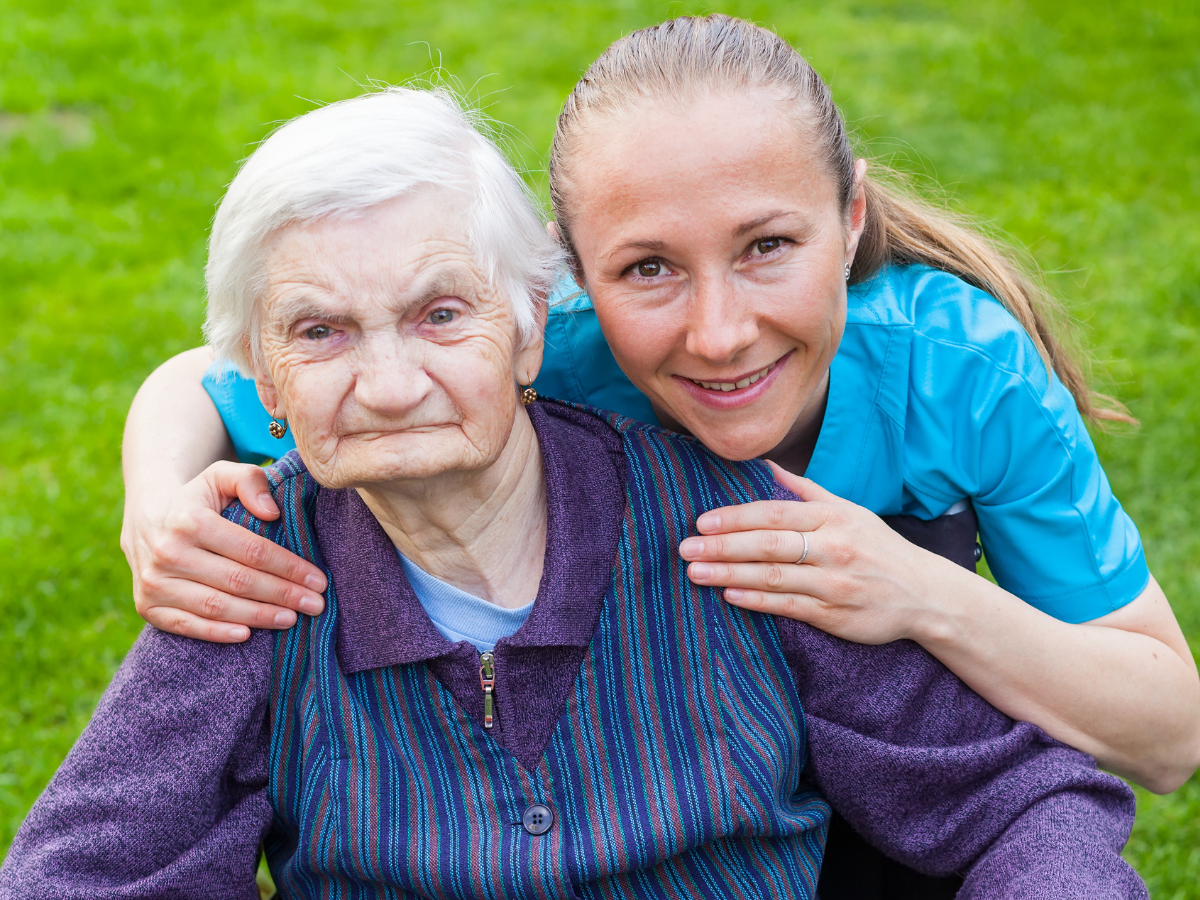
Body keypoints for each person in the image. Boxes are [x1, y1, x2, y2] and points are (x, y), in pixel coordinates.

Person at [1, 87, 1145, 900]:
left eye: (444, 314)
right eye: (322, 331)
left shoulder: (738, 524)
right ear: (267, 382)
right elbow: (82, 872)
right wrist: (156, 495)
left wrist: (921, 593)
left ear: (532, 329)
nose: (393, 385)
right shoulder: (256, 570)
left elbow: (1024, 798)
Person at [120, 16, 1200, 799]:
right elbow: (205, 381)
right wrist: (156, 500)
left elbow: (1169, 734)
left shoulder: (960, 369)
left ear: (851, 211)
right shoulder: (534, 357)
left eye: (768, 246)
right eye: (648, 269)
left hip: (890, 764)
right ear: (569, 280)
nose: (718, 332)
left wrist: (920, 593)